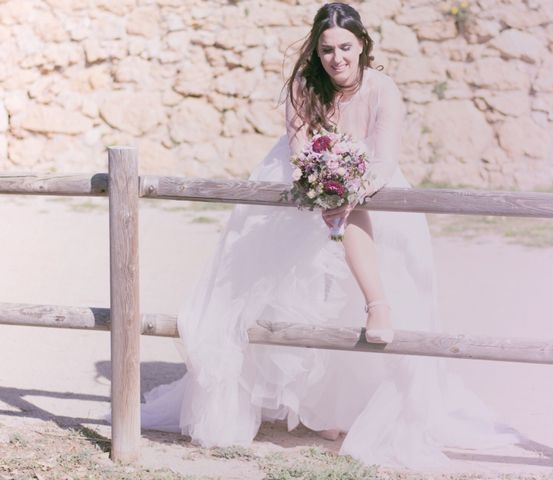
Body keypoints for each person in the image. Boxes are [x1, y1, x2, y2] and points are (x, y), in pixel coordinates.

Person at [141, 2, 515, 470]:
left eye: (344, 47)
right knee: (282, 290)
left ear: (362, 46)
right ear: (316, 53)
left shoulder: (384, 90)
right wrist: (320, 184)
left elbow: (385, 157)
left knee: (359, 272)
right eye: (326, 50)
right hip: (304, 183)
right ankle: (308, 404)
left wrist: (349, 191)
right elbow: (299, 149)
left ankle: (360, 361)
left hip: (370, 185)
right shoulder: (305, 86)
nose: (336, 58)